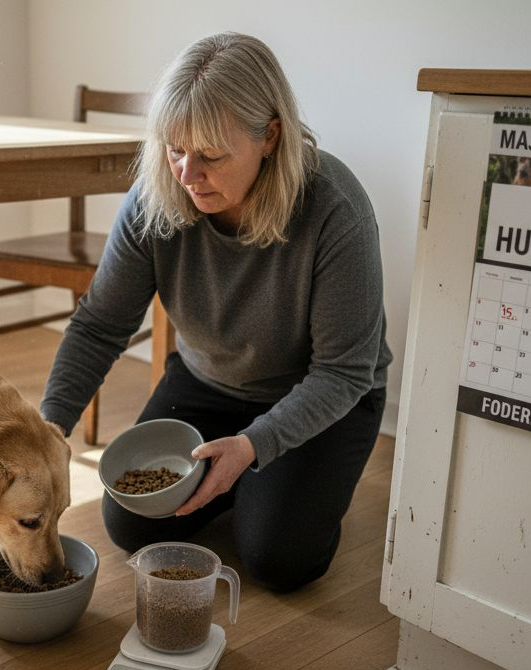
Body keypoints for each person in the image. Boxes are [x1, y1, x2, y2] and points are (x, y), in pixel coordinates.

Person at [39, 31, 391, 592]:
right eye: (174, 149)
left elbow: (343, 371)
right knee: (129, 522)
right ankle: (247, 486)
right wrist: (48, 430)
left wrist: (255, 446)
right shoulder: (157, 196)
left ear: (270, 136)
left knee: (279, 560)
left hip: (324, 394)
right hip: (210, 382)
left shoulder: (335, 210)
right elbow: (101, 325)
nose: (185, 173)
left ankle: (268, 489)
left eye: (210, 155)